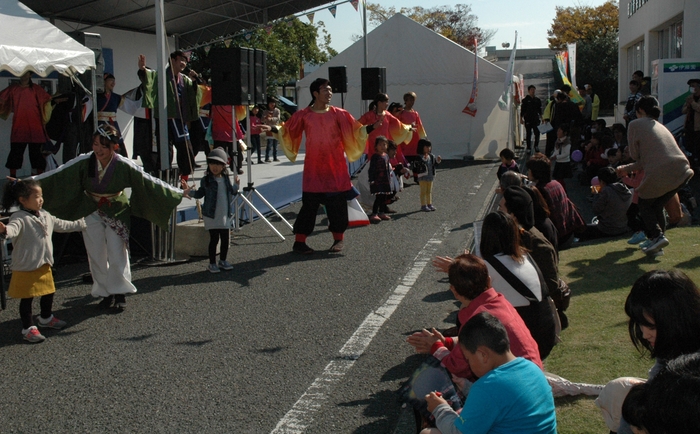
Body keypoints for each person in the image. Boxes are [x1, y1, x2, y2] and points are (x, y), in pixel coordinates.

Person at [34, 125, 186, 309]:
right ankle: (104, 291)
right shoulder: (85, 161)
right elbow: (58, 174)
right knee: (96, 252)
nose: (98, 149)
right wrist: (27, 183)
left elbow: (148, 180)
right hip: (90, 208)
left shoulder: (122, 163)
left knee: (117, 251)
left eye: (104, 146)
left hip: (116, 209)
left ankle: (119, 291)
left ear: (114, 147)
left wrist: (177, 192)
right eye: (96, 144)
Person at [269, 78, 380, 254]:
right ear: (315, 93)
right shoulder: (304, 115)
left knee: (337, 206)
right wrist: (274, 129)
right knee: (309, 207)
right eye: (325, 90)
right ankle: (299, 242)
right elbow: (287, 130)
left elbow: (355, 130)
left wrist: (370, 128)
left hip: (334, 168)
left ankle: (338, 240)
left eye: (330, 90)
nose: (329, 93)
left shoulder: (339, 114)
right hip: (314, 170)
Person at [407, 253, 542, 382]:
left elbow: (457, 367)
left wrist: (435, 346)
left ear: (454, 290)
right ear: (489, 281)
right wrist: (447, 343)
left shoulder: (477, 318)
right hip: (532, 374)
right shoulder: (500, 302)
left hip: (514, 384)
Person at [422, 312, 557, 434]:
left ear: (483, 355)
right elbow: (502, 400)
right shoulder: (531, 368)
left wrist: (439, 408)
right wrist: (468, 388)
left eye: (468, 359)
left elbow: (458, 432)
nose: (469, 364)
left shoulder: (486, 387)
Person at [611, 269, 700, 434]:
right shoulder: (670, 350)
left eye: (652, 326)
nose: (644, 334)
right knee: (616, 390)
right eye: (639, 323)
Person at [0, 179, 86, 343]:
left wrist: (82, 224)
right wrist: (4, 230)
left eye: (41, 196)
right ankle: (28, 328)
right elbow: (12, 230)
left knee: (49, 292)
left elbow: (62, 225)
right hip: (26, 267)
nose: (41, 200)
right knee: (27, 298)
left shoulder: (45, 215)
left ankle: (46, 318)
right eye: (37, 197)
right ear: (23, 200)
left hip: (44, 264)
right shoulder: (19, 217)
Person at [616, 96, 694, 256]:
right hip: (682, 171)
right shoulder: (660, 126)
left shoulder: (635, 124)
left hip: (662, 171)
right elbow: (646, 161)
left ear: (641, 111)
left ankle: (657, 237)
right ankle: (657, 243)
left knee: (644, 204)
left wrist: (626, 165)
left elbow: (635, 155)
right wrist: (626, 168)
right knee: (657, 205)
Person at [479, 211, 557, 360]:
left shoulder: (488, 266)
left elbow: (469, 299)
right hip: (547, 331)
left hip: (526, 342)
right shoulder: (524, 255)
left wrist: (459, 268)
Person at [137, 51, 203, 181]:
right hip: (165, 118)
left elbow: (195, 93)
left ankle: (184, 178)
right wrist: (142, 69)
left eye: (185, 61)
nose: (184, 63)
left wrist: (195, 81)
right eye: (181, 60)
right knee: (165, 152)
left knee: (186, 149)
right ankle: (163, 180)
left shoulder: (185, 80)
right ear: (172, 60)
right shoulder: (161, 75)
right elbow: (149, 78)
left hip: (179, 120)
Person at [182, 148, 238, 273]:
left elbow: (231, 191)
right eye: (212, 163)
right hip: (211, 215)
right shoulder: (206, 180)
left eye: (218, 164)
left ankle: (223, 260)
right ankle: (212, 263)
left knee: (225, 239)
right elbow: (200, 194)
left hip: (224, 214)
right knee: (214, 239)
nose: (215, 167)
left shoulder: (225, 178)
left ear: (224, 166)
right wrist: (188, 191)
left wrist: (236, 186)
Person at [0, 71, 53, 177]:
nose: (23, 75)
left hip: (35, 128)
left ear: (30, 75)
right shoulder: (13, 89)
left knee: (37, 157)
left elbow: (48, 100)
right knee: (15, 155)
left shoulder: (36, 89)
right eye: (22, 72)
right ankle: (13, 180)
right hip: (19, 128)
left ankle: (38, 179)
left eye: (26, 73)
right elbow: (1, 98)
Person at [526, 154, 582, 249]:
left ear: (534, 172)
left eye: (529, 170)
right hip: (569, 234)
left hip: (557, 239)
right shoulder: (556, 184)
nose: (528, 172)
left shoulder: (540, 190)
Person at [578, 166, 632, 242]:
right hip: (623, 226)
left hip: (608, 229)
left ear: (602, 181)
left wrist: (596, 193)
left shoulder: (607, 191)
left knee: (581, 230)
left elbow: (596, 209)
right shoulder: (624, 189)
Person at [359, 93, 414, 162]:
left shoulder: (387, 114)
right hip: (373, 147)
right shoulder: (369, 115)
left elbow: (399, 125)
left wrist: (409, 127)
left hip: (385, 146)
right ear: (379, 103)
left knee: (385, 165)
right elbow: (357, 125)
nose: (387, 104)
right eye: (386, 102)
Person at [96, 73, 129, 158]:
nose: (113, 83)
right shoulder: (96, 96)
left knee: (118, 143)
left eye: (114, 81)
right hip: (101, 125)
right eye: (111, 80)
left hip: (113, 125)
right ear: (104, 82)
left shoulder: (116, 97)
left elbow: (130, 106)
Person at [210, 104, 246, 175]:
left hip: (231, 129)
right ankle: (217, 169)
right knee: (218, 153)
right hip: (220, 129)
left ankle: (236, 167)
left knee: (236, 151)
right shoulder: (215, 101)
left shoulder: (233, 102)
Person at [398, 92, 427, 177]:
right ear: (405, 101)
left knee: (417, 159)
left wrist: (422, 137)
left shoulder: (415, 113)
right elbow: (398, 125)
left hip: (415, 139)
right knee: (405, 158)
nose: (411, 102)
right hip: (405, 140)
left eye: (413, 100)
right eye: (409, 100)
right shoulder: (401, 113)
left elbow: (420, 125)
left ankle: (416, 175)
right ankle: (403, 175)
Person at [367, 136, 393, 223]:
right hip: (377, 181)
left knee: (384, 197)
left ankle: (381, 212)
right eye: (380, 144)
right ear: (376, 146)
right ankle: (374, 213)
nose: (382, 146)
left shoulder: (386, 156)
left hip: (385, 181)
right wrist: (372, 180)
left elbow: (388, 168)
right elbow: (371, 169)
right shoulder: (375, 157)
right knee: (378, 198)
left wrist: (390, 178)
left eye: (384, 144)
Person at [415, 139, 441, 212]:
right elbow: (416, 166)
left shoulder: (431, 156)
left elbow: (434, 165)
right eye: (427, 146)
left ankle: (429, 204)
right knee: (423, 191)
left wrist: (438, 161)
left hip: (430, 176)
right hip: (422, 177)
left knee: (429, 191)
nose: (429, 148)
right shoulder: (419, 157)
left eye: (429, 146)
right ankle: (423, 205)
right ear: (421, 147)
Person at [682, 78, 700, 168]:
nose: (692, 88)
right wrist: (688, 105)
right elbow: (683, 111)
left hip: (698, 128)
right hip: (689, 127)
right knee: (689, 148)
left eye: (693, 86)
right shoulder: (690, 97)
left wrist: (693, 103)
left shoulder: (694, 99)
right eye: (690, 86)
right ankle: (691, 166)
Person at [520, 85, 542, 154]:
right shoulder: (525, 100)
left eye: (534, 89)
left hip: (536, 119)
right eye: (531, 90)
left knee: (537, 133)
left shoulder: (537, 100)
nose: (533, 91)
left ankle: (536, 146)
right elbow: (522, 110)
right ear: (529, 91)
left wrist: (542, 117)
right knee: (528, 134)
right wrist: (521, 118)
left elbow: (540, 110)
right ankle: (529, 147)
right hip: (528, 119)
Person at [550, 124, 572, 188]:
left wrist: (556, 157)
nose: (558, 132)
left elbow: (566, 154)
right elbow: (556, 150)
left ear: (565, 132)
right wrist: (552, 156)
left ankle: (562, 190)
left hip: (564, 163)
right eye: (558, 131)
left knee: (560, 179)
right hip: (558, 162)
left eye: (560, 131)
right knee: (558, 178)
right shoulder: (558, 141)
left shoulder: (567, 142)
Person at [263, 97, 281, 162]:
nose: (272, 104)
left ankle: (275, 157)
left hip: (275, 128)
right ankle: (267, 157)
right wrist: (265, 118)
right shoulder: (265, 111)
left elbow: (278, 118)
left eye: (273, 103)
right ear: (268, 104)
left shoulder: (277, 110)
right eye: (271, 103)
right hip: (269, 128)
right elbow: (262, 119)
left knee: (275, 145)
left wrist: (271, 119)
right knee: (269, 144)